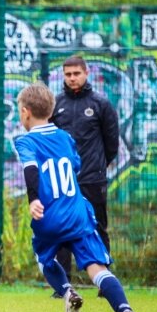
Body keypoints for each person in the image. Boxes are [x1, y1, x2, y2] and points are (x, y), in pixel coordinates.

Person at [14, 82, 143, 312]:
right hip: (77, 213)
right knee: (98, 269)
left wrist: (34, 199)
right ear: (51, 111)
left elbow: (31, 169)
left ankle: (67, 292)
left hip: (49, 215)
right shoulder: (66, 138)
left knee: (44, 259)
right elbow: (74, 166)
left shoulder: (26, 141)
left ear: (25, 112)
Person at [50, 55, 119, 297]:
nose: (72, 78)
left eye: (76, 73)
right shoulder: (56, 105)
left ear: (86, 73)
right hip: (64, 180)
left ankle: (105, 284)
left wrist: (97, 166)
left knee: (97, 228)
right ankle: (63, 286)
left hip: (92, 179)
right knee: (61, 229)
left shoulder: (101, 104)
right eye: (68, 74)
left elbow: (112, 144)